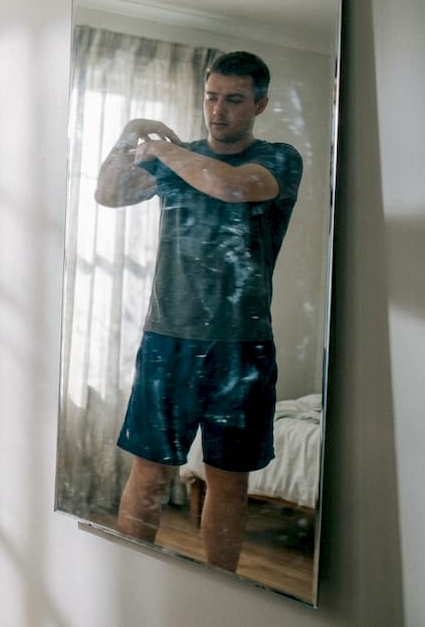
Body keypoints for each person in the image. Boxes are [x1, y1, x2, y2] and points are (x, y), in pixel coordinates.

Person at [95, 51, 302, 572]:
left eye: (233, 99)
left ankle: (220, 590)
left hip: (243, 347)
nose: (218, 110)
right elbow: (107, 193)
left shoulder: (278, 159)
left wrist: (163, 151)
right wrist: (129, 134)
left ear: (260, 104)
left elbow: (231, 186)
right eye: (211, 97)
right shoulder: (178, 160)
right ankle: (132, 582)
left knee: (229, 481)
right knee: (149, 473)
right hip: (169, 339)